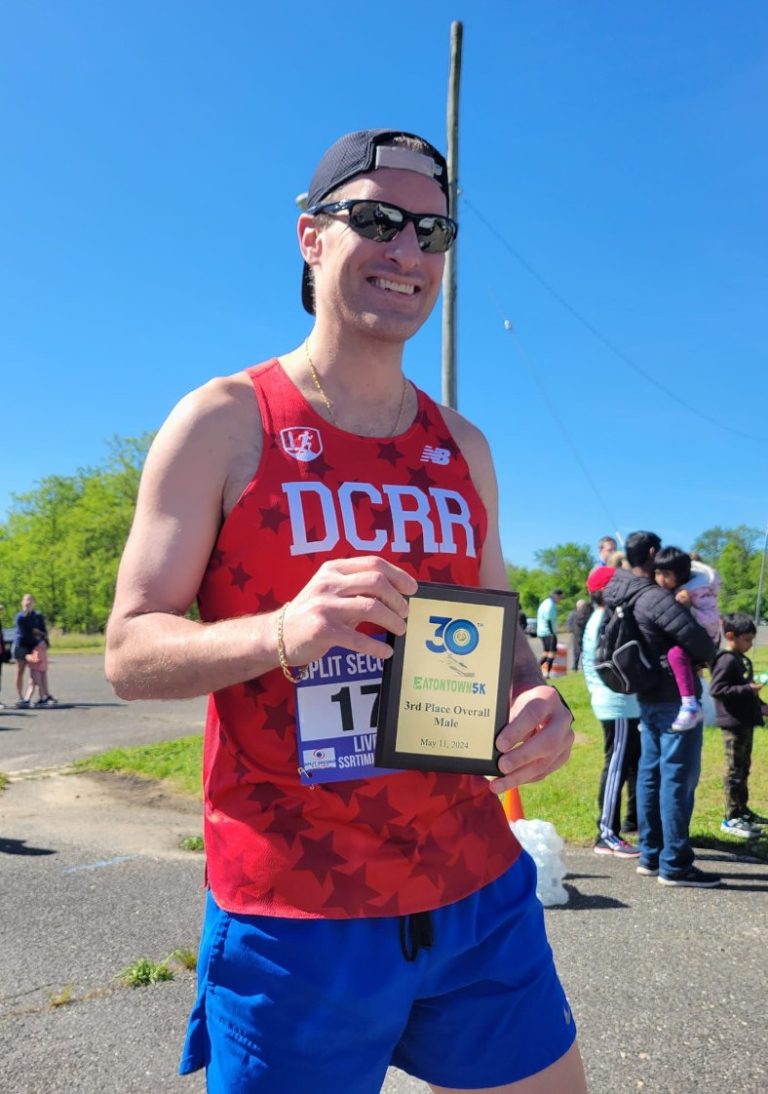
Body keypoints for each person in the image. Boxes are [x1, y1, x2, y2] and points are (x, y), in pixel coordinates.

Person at [105, 129, 585, 1093]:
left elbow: (502, 634)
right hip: (297, 907)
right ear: (310, 238)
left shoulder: (464, 445)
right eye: (374, 219)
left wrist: (540, 706)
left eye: (432, 229)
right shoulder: (226, 420)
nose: (407, 250)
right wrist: (283, 632)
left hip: (473, 884)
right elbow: (128, 649)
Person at [602, 531, 718, 888]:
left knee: (650, 774)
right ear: (653, 553)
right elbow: (700, 642)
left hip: (647, 696)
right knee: (677, 780)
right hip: (674, 700)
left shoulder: (619, 592)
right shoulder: (654, 597)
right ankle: (675, 863)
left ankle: (651, 855)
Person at [581, 566, 640, 855]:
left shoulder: (598, 617)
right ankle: (606, 834)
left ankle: (630, 822)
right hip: (616, 703)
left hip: (617, 702)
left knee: (627, 764)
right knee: (615, 766)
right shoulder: (608, 617)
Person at [709, 612, 768, 839]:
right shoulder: (726, 659)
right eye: (747, 640)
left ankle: (743, 810)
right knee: (734, 771)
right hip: (732, 725)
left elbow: (745, 690)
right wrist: (747, 690)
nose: (750, 644)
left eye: (752, 640)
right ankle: (731, 816)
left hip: (745, 723)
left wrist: (761, 706)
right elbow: (718, 689)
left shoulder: (742, 660)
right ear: (731, 636)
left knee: (744, 769)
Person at [652, 546, 721, 731]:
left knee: (675, 655)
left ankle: (690, 705)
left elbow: (712, 621)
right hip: (689, 637)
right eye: (657, 573)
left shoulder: (699, 590)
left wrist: (689, 607)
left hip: (704, 640)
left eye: (666, 574)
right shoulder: (676, 588)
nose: (660, 579)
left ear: (680, 574)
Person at [13, 594, 56, 708]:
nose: (28, 602)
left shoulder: (37, 616)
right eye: (26, 600)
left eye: (30, 600)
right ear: (22, 603)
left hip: (34, 646)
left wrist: (43, 641)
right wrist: (36, 633)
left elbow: (43, 631)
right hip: (21, 646)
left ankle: (42, 695)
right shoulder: (20, 617)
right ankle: (20, 696)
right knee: (20, 671)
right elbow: (24, 633)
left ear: (34, 603)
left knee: (37, 672)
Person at [536, 588, 564, 680]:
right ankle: (546, 673)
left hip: (542, 631)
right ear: (556, 596)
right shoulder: (550, 605)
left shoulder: (545, 602)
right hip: (548, 632)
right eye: (560, 598)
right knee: (552, 653)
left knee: (546, 653)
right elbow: (548, 619)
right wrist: (552, 633)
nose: (560, 600)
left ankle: (536, 669)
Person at [566, 597, 592, 671]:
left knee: (585, 651)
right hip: (576, 635)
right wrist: (573, 630)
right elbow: (569, 625)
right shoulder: (573, 614)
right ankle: (575, 666)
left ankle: (585, 666)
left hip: (585, 634)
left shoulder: (588, 614)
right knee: (576, 651)